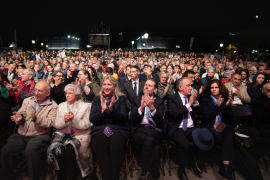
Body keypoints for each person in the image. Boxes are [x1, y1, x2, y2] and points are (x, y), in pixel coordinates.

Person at [0, 81, 58, 180]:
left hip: (40, 135)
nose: (36, 93)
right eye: (35, 90)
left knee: (31, 150)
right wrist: (20, 117)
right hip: (22, 135)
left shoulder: (53, 106)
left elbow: (50, 123)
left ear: (47, 93)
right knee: (6, 150)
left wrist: (36, 119)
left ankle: (34, 177)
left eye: (40, 91)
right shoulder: (28, 100)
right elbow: (22, 113)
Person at [47, 84, 92, 179]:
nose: (67, 95)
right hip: (62, 135)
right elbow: (56, 124)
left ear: (77, 95)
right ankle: (61, 176)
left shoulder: (85, 106)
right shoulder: (61, 106)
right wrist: (65, 120)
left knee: (69, 150)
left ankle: (73, 175)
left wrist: (73, 119)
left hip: (79, 136)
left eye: (70, 93)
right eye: (66, 93)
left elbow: (86, 124)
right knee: (54, 150)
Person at [90, 75, 128, 180]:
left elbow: (123, 118)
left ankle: (114, 177)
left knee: (115, 152)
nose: (106, 87)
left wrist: (112, 109)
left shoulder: (121, 98)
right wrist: (101, 111)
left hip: (118, 129)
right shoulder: (97, 98)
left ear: (115, 86)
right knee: (101, 152)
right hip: (100, 129)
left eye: (109, 85)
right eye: (105, 84)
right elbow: (92, 119)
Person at [130, 79, 164, 180]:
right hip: (139, 129)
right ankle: (154, 171)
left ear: (155, 89)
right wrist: (141, 107)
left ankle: (144, 171)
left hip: (155, 129)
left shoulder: (159, 100)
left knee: (148, 139)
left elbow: (160, 119)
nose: (146, 87)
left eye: (149, 85)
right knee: (156, 148)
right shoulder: (136, 99)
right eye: (145, 85)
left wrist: (152, 108)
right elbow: (132, 118)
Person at [167, 77, 200, 180]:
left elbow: (200, 112)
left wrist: (195, 102)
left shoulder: (191, 97)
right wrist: (189, 103)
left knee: (201, 138)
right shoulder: (172, 98)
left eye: (191, 85)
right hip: (177, 128)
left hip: (191, 126)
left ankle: (194, 161)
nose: (191, 87)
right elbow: (174, 114)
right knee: (185, 145)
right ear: (180, 87)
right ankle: (181, 169)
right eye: (188, 85)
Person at [200, 79, 234, 179]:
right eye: (212, 88)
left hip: (222, 124)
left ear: (220, 88)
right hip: (210, 125)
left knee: (229, 134)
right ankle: (228, 167)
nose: (214, 89)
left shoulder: (225, 98)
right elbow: (207, 116)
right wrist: (218, 106)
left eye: (216, 87)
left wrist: (227, 107)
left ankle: (225, 167)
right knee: (224, 140)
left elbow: (229, 118)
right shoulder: (205, 99)